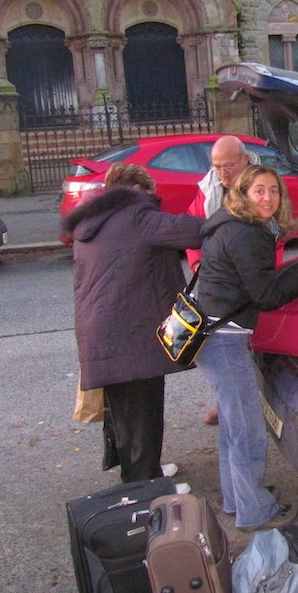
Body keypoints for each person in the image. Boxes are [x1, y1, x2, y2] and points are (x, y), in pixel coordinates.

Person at [195, 164, 298, 531]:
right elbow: (266, 296)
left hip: (212, 334)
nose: (268, 197)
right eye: (259, 190)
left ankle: (237, 498)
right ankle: (255, 512)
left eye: (273, 190)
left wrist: (295, 269)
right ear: (243, 193)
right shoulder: (248, 234)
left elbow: (254, 281)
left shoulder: (230, 224)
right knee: (247, 428)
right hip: (224, 339)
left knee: (232, 425)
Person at [62, 163, 204, 487]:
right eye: (151, 194)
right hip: (132, 331)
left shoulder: (91, 220)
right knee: (143, 411)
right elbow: (192, 230)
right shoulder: (138, 215)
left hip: (100, 330)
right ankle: (147, 488)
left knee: (125, 413)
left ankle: (144, 472)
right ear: (139, 190)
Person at [186, 135, 258, 426]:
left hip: (249, 279)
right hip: (218, 280)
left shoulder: (264, 185)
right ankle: (228, 400)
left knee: (246, 342)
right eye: (217, 167)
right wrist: (197, 263)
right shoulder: (209, 189)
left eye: (229, 166)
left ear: (245, 159)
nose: (223, 174)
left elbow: (277, 232)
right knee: (224, 346)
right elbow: (195, 229)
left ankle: (243, 399)